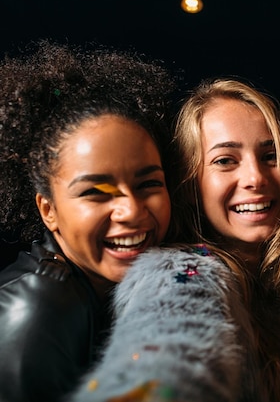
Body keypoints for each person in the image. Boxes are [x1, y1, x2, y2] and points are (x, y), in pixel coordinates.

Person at [70, 77, 280, 402]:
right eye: (225, 160)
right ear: (189, 184)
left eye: (271, 156)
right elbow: (169, 347)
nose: (256, 177)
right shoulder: (182, 273)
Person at [0, 40, 176, 402]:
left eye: (148, 184)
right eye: (96, 191)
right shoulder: (38, 313)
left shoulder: (102, 290)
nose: (131, 210)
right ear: (48, 210)